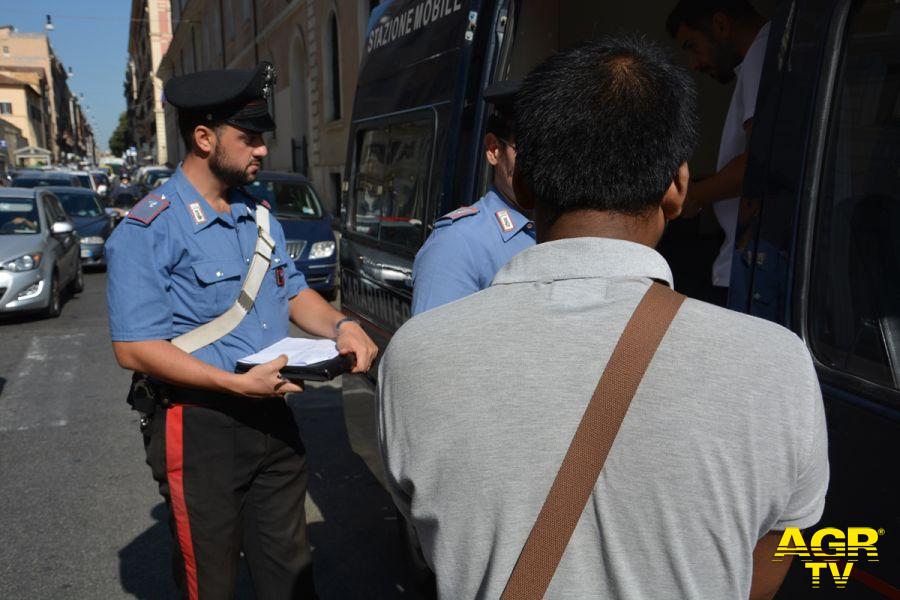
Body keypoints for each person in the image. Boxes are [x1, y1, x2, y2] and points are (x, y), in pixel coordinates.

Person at [377, 35, 828, 599]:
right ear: (678, 187)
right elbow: (776, 554)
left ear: (527, 182)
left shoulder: (415, 355)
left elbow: (429, 541)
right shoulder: (777, 360)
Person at [106, 62, 377, 599]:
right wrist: (234, 384)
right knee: (211, 582)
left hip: (271, 414)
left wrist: (343, 324)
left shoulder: (258, 214)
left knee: (290, 574)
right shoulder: (149, 228)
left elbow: (294, 290)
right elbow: (133, 347)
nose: (261, 151)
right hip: (198, 423)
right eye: (249, 138)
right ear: (204, 138)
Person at [666, 0, 769, 306]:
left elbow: (759, 164)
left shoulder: (761, 55)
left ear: (721, 25)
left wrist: (691, 195)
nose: (694, 63)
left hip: (750, 267)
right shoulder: (767, 54)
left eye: (692, 45)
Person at [410, 81, 535, 315]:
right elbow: (435, 350)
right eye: (529, 149)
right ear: (493, 150)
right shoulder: (456, 245)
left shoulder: (575, 228)